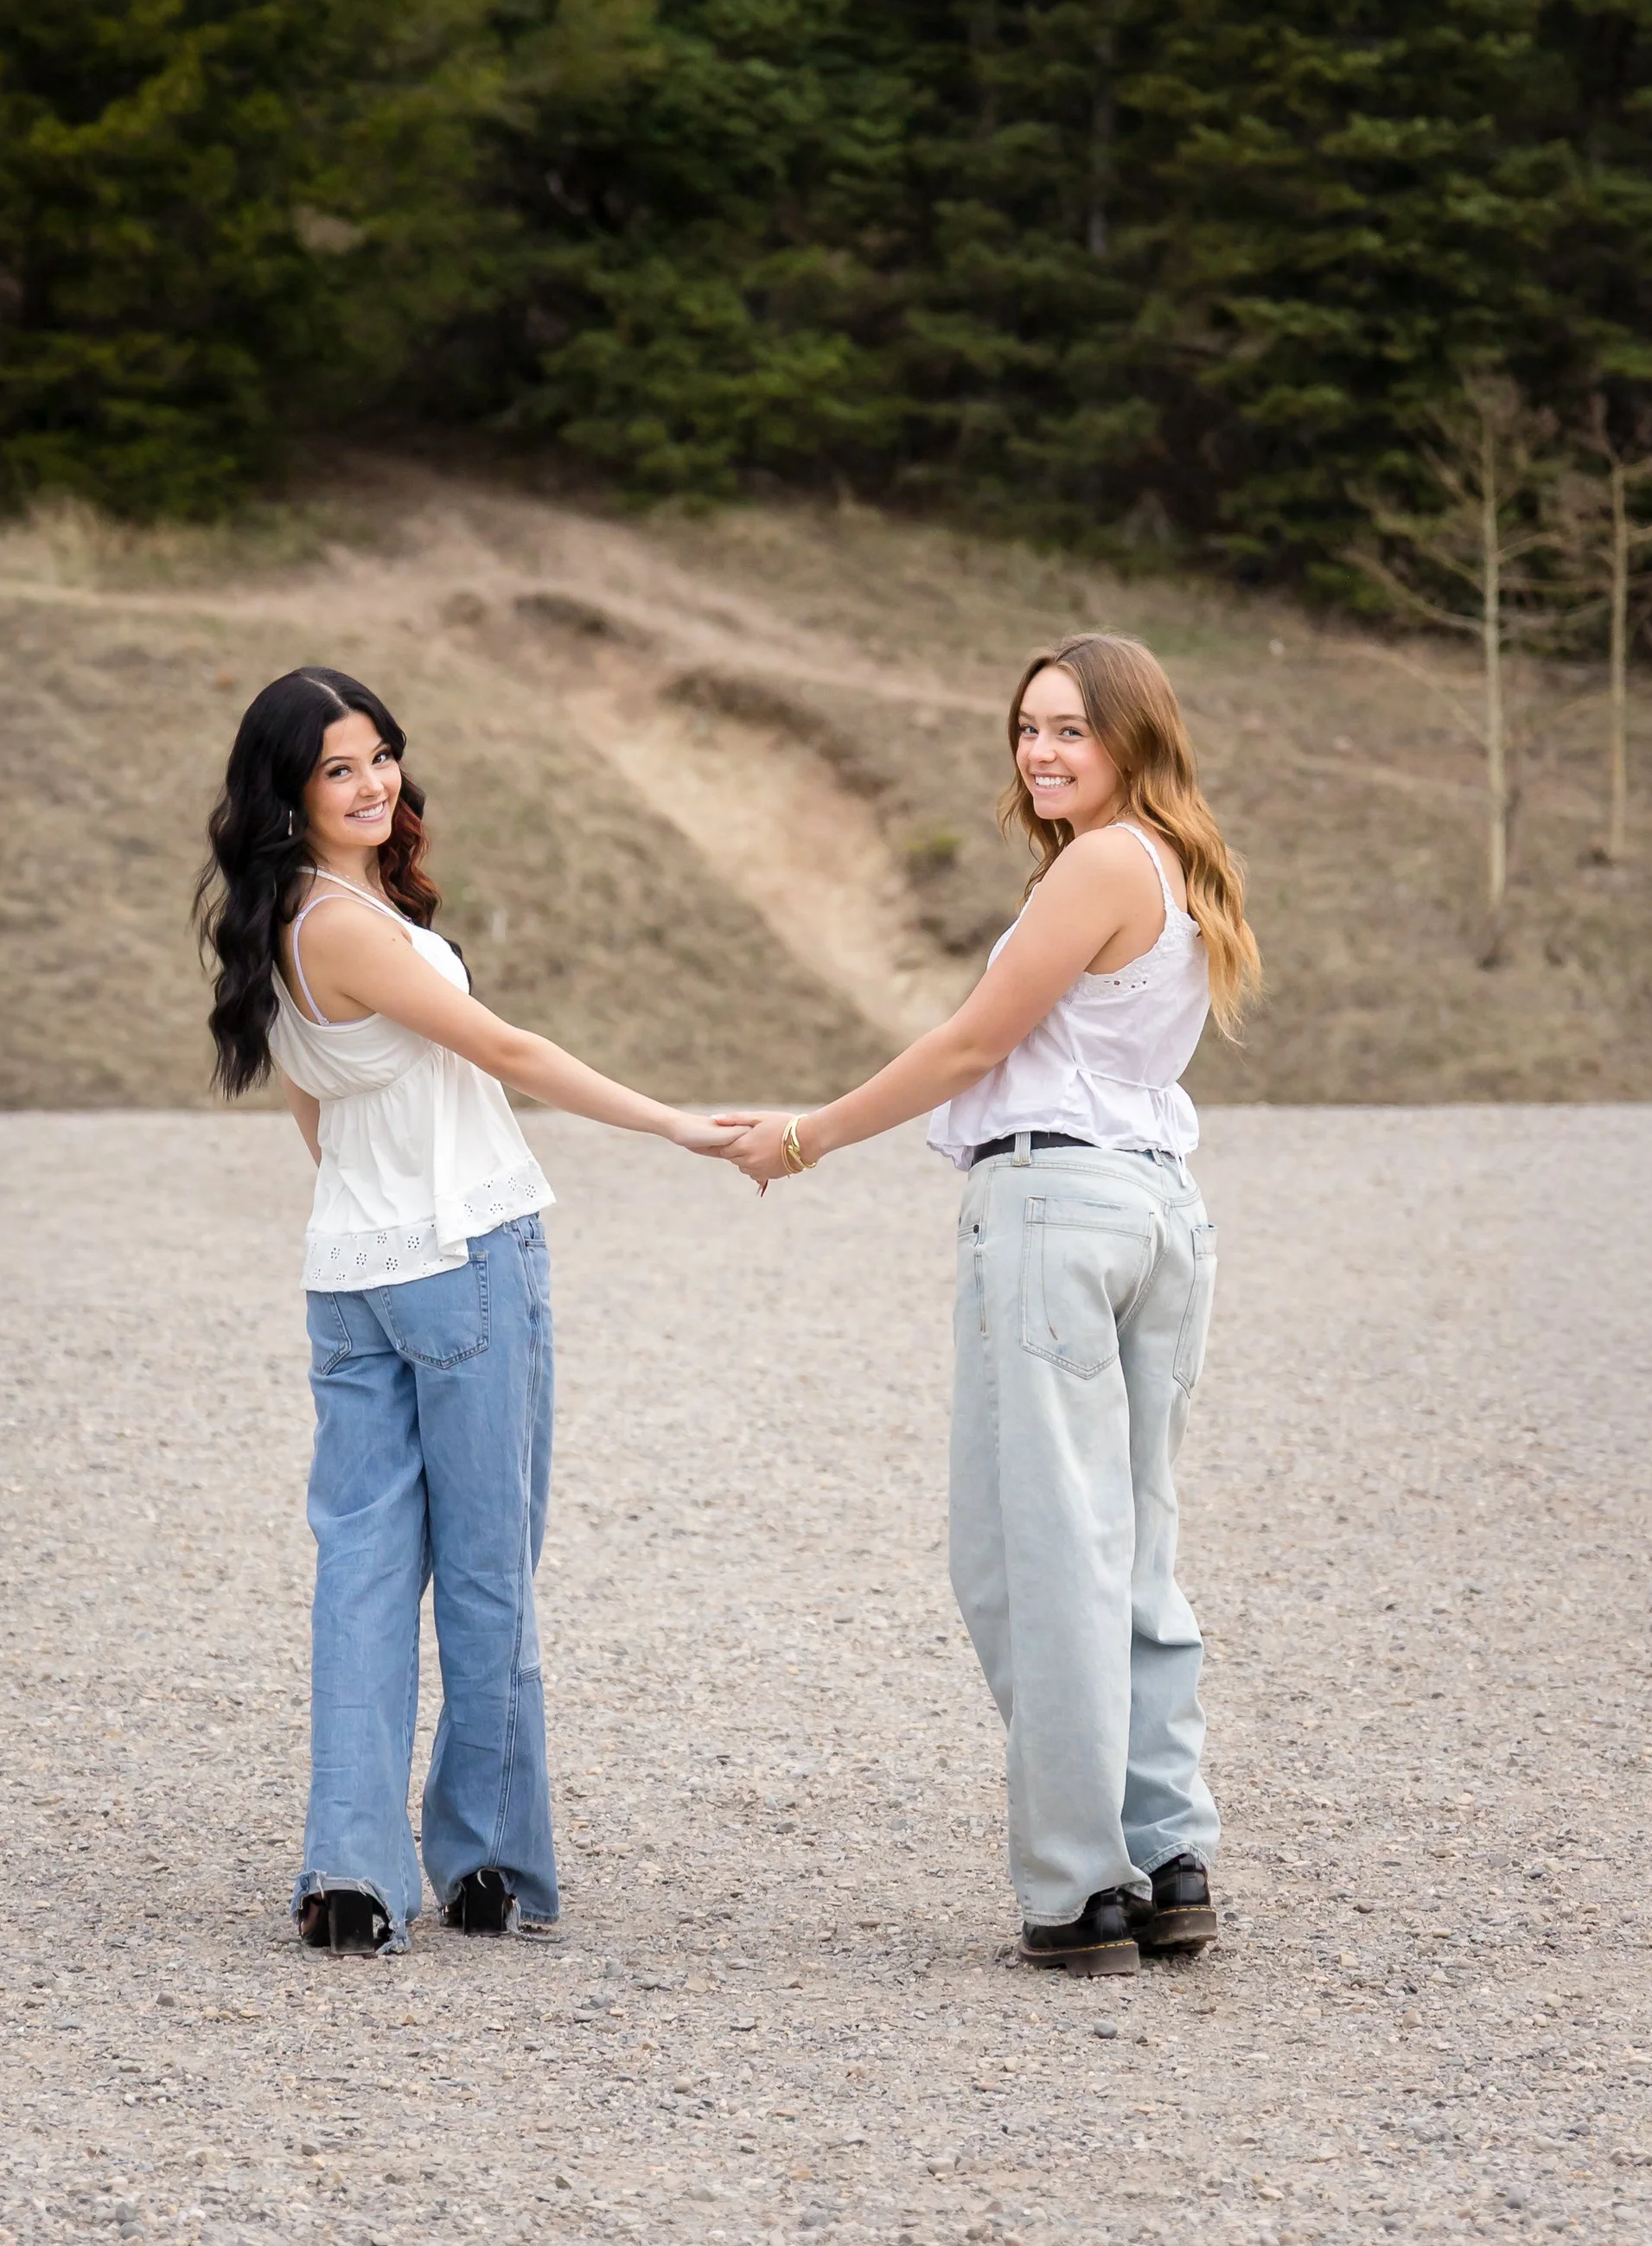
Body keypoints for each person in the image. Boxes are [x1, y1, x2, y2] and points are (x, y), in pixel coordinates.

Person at [721, 633, 1259, 1975]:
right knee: (1130, 1538)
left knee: (1030, 1554)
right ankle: (1170, 1852)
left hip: (1058, 1215)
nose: (1040, 750)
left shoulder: (1100, 862)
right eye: (1028, 727)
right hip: (1156, 1213)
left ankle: (1085, 1888)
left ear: (1133, 735)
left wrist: (810, 1134)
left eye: (1071, 727)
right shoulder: (1184, 860)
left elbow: (974, 1040)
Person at [196, 665, 733, 1956]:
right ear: (291, 791)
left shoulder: (280, 922)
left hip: (355, 1272)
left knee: (365, 1571)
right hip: (466, 1255)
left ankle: (352, 1873)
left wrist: (373, 1214)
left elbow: (314, 1103)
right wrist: (677, 1124)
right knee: (487, 1567)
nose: (374, 780)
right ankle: (485, 1863)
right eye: (339, 766)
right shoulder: (350, 923)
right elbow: (509, 1051)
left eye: (380, 753)